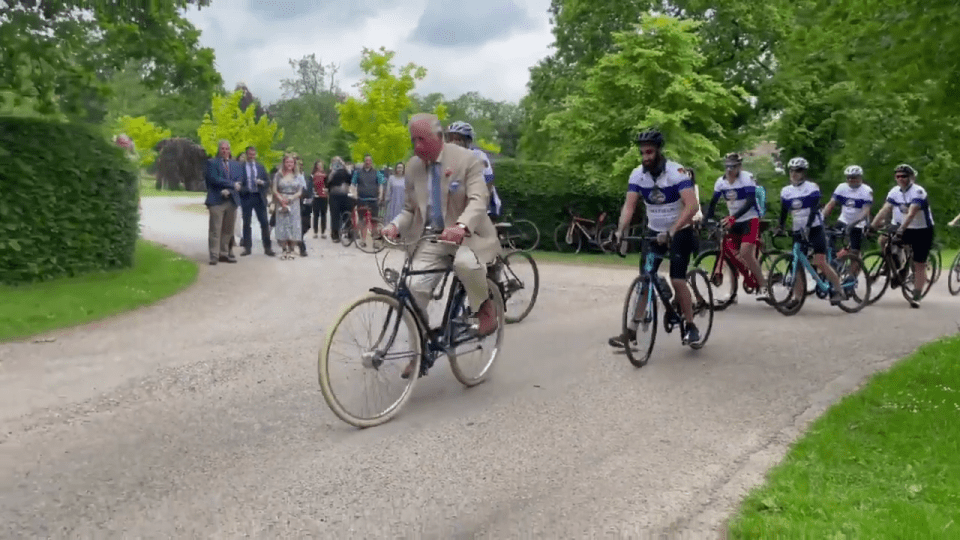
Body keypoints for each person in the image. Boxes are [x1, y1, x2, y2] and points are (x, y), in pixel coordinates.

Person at [380, 113, 501, 378]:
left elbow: (479, 200)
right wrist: (394, 226)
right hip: (433, 238)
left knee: (465, 263)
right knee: (411, 291)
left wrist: (461, 226)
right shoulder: (413, 167)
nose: (416, 146)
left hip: (468, 234)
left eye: (421, 140)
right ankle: (420, 350)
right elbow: (410, 210)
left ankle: (485, 309)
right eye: (413, 140)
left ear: (439, 138)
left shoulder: (467, 160)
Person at [609, 129, 702, 348]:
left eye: (649, 152)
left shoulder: (676, 172)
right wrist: (620, 231)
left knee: (678, 279)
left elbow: (692, 205)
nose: (645, 157)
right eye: (642, 153)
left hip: (680, 230)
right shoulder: (637, 175)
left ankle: (690, 326)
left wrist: (672, 231)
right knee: (645, 278)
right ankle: (630, 332)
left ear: (659, 151)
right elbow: (629, 206)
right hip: (653, 231)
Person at [775, 157, 847, 306]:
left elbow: (814, 209)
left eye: (798, 171)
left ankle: (839, 290)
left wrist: (808, 226)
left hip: (814, 228)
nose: (795, 173)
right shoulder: (786, 191)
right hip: (797, 229)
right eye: (792, 170)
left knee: (819, 261)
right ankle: (797, 298)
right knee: (797, 261)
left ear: (804, 173)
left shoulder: (812, 187)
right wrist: (780, 227)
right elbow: (784, 211)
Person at [868, 163, 935, 308]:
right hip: (904, 226)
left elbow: (911, 213)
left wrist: (901, 229)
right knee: (884, 238)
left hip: (922, 230)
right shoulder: (894, 191)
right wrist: (872, 226)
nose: (901, 179)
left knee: (919, 263)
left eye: (904, 176)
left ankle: (916, 295)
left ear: (911, 177)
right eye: (898, 176)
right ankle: (894, 263)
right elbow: (885, 209)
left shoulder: (918, 191)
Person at [704, 152, 767, 296]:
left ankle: (763, 285)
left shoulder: (746, 178)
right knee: (729, 252)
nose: (730, 170)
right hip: (735, 220)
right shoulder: (721, 182)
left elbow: (750, 201)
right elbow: (713, 203)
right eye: (727, 167)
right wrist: (706, 220)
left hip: (750, 219)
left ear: (740, 166)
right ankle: (733, 293)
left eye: (733, 167)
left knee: (745, 253)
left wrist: (733, 217)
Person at [444, 121, 502, 219]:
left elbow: (488, 181)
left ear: (468, 141)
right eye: (451, 139)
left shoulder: (478, 156)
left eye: (458, 139)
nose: (454, 143)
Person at [822, 165, 872, 261]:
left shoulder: (866, 190)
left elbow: (866, 211)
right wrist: (821, 217)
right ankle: (834, 262)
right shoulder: (842, 187)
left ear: (859, 177)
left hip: (858, 223)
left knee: (854, 251)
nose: (850, 179)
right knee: (829, 239)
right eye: (848, 177)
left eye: (853, 177)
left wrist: (855, 223)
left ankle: (852, 274)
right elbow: (831, 204)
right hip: (843, 220)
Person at [203, 139, 241, 265]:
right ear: (219, 150)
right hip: (216, 200)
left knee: (228, 230)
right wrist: (230, 185)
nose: (225, 151)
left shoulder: (236, 165)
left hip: (231, 200)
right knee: (215, 229)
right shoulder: (211, 163)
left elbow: (239, 181)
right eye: (222, 149)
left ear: (230, 150)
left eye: (227, 149)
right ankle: (214, 255)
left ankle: (224, 253)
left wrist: (230, 190)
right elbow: (213, 178)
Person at [238, 145, 275, 257]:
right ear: (247, 154)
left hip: (259, 197)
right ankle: (247, 248)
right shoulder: (241, 167)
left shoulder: (260, 167)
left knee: (264, 223)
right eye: (250, 154)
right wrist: (244, 189)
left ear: (255, 155)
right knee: (246, 223)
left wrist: (262, 183)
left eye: (253, 154)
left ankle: (268, 248)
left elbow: (268, 182)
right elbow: (238, 182)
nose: (252, 156)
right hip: (247, 196)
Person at [272, 154, 303, 259]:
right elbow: (274, 189)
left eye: (291, 162)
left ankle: (292, 249)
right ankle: (284, 249)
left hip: (294, 202)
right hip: (281, 201)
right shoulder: (278, 175)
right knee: (282, 225)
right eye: (287, 162)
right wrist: (281, 199)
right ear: (284, 163)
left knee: (293, 225)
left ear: (294, 164)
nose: (289, 164)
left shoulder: (298, 175)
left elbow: (300, 191)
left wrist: (291, 198)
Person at [327, 157, 353, 243]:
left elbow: (350, 179)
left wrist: (345, 166)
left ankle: (349, 232)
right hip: (334, 195)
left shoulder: (345, 171)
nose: (337, 163)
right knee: (335, 215)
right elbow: (327, 182)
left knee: (347, 215)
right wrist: (332, 172)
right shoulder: (331, 171)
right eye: (335, 161)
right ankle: (335, 234)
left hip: (345, 195)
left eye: (339, 161)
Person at [351, 154, 385, 218]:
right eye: (366, 160)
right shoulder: (357, 172)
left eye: (369, 160)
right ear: (364, 162)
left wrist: (380, 196)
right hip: (361, 200)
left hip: (373, 200)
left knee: (374, 221)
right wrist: (353, 193)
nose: (368, 162)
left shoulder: (377, 172)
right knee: (362, 221)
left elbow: (381, 185)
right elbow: (353, 185)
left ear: (371, 162)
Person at [311, 161, 329, 238]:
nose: (320, 167)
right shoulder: (312, 175)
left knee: (323, 214)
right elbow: (311, 185)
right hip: (316, 196)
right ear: (316, 166)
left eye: (321, 165)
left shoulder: (325, 176)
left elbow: (328, 185)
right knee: (316, 215)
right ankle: (315, 232)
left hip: (324, 196)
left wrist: (326, 190)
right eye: (319, 165)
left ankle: (323, 232)